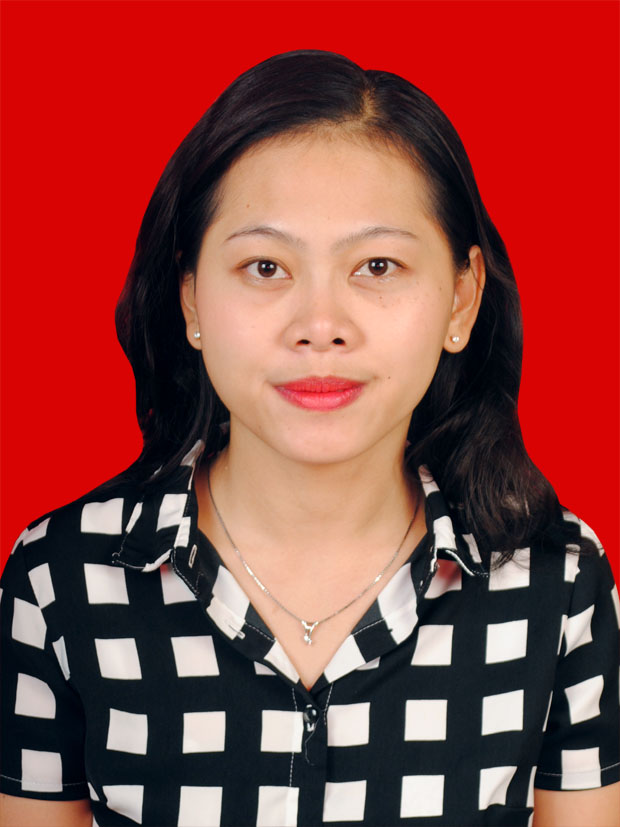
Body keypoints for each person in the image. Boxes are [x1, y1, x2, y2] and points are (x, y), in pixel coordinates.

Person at [0, 49, 618, 827]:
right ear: (191, 298)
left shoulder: (556, 582)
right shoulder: (60, 579)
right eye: (265, 266)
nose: (320, 326)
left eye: (378, 265)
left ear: (461, 300)